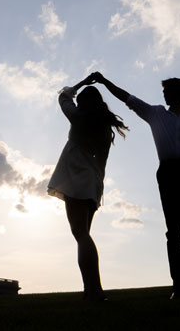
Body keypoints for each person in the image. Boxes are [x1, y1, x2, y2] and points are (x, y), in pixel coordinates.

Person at [92, 72, 180, 299]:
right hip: (168, 172)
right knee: (174, 232)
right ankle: (179, 289)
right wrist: (104, 82)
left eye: (167, 90)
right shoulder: (155, 113)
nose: (163, 94)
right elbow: (128, 99)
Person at [47, 74, 128, 301]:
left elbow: (63, 97)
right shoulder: (104, 127)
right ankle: (91, 289)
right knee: (84, 236)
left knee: (81, 235)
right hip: (92, 184)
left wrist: (82, 82)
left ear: (83, 104)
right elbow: (102, 163)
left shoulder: (78, 118)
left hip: (75, 180)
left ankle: (94, 290)